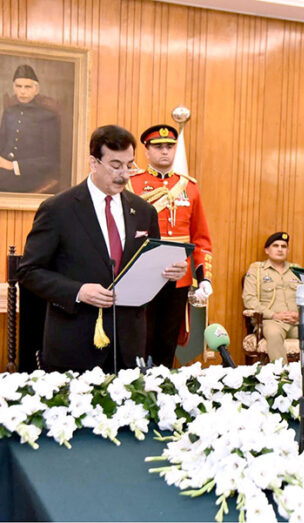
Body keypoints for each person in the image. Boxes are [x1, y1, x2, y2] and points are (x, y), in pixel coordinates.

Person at [17, 125, 188, 373]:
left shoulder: (144, 211)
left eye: (129, 165)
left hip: (129, 347)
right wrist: (79, 291)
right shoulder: (58, 209)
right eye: (115, 165)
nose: (124, 175)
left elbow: (148, 271)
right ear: (93, 163)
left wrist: (167, 272)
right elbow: (29, 271)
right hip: (75, 345)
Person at [127, 124, 213, 367]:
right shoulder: (132, 184)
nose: (164, 151)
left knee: (168, 339)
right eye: (158, 147)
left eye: (169, 146)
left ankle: (162, 389)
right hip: (143, 273)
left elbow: (200, 238)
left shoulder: (189, 188)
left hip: (180, 276)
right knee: (141, 338)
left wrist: (204, 277)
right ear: (146, 151)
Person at [242, 232, 304, 363]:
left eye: (283, 246)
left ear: (288, 250)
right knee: (273, 334)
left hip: (296, 322)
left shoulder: (296, 271)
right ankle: (282, 377)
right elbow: (249, 299)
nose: (280, 249)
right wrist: (274, 315)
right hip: (272, 321)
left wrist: (300, 315)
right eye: (275, 246)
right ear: (267, 250)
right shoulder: (257, 270)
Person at [0, 64, 60, 193]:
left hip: (28, 176)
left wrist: (13, 166)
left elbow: (50, 160)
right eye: (18, 86)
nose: (22, 91)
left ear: (36, 90)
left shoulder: (47, 117)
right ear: (13, 88)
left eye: (28, 87)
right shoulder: (9, 112)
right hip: (3, 171)